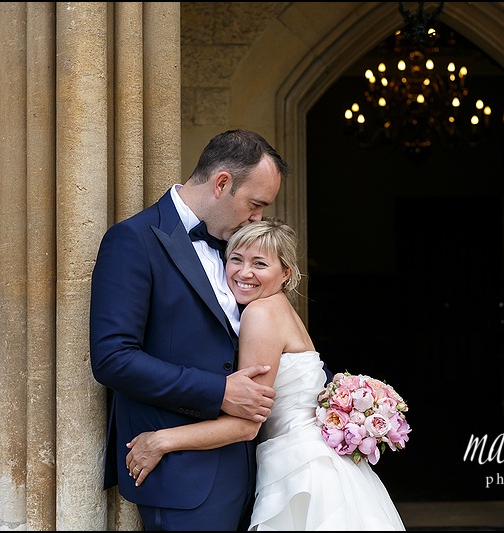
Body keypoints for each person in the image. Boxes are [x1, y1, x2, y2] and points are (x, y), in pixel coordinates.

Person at [125, 218, 407, 531]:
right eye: (236, 259)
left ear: (286, 273)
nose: (244, 273)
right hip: (316, 461)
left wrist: (162, 440)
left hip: (300, 471)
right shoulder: (282, 308)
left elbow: (246, 424)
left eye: (259, 263)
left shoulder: (260, 314)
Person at [89, 130, 290, 531]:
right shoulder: (133, 240)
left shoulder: (241, 253)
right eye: (255, 205)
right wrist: (219, 391)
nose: (257, 220)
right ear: (221, 184)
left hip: (258, 471)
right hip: (182, 476)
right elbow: (113, 359)